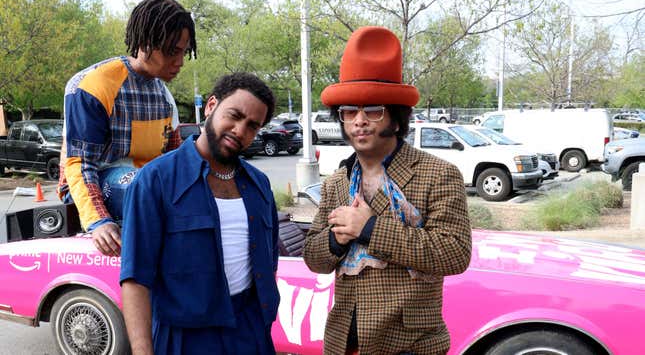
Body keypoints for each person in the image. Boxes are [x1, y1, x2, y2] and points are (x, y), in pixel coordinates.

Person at [302, 26, 472, 355]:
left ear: (395, 118)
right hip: (345, 340)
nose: (360, 121)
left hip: (410, 343)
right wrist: (337, 238)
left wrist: (369, 228)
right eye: (349, 111)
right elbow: (314, 259)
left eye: (373, 110)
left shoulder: (437, 173)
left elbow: (454, 253)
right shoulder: (338, 181)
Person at [120, 72, 280, 355]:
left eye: (252, 126)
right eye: (234, 115)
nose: (240, 130)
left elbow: (269, 263)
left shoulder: (259, 185)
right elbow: (136, 279)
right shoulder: (155, 180)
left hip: (250, 331)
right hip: (184, 338)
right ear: (211, 105)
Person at [57, 0, 197, 256]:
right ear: (145, 43)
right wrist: (98, 220)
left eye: (183, 52)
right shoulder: (92, 86)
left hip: (148, 183)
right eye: (171, 51)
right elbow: (80, 164)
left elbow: (173, 157)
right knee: (144, 188)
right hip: (94, 183)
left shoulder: (164, 95)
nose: (179, 62)